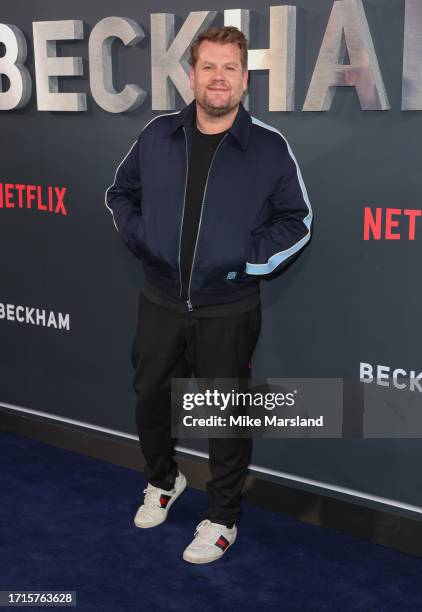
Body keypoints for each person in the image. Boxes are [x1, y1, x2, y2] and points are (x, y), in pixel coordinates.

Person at [105, 25, 312, 564]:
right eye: (208, 67)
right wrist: (145, 240)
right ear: (191, 75)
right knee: (152, 400)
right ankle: (163, 480)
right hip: (160, 301)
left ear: (245, 81)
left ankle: (222, 518)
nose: (218, 78)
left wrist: (243, 260)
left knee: (224, 417)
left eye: (230, 69)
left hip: (228, 308)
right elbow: (120, 194)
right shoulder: (157, 135)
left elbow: (298, 221)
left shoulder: (268, 147)